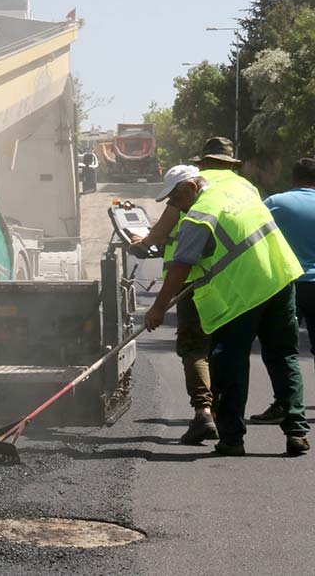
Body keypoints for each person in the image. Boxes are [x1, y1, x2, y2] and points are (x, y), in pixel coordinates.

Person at [145, 164, 308, 456]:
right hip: (280, 278)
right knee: (284, 356)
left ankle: (232, 439)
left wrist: (157, 309)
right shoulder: (238, 187)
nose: (173, 205)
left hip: (242, 296)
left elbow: (181, 266)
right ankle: (296, 431)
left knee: (230, 364)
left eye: (175, 198)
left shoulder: (198, 217)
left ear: (193, 187)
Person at [128, 137, 251, 444]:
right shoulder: (240, 189)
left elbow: (163, 232)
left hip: (192, 282)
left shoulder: (190, 196)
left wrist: (144, 244)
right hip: (230, 279)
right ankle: (228, 415)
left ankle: (203, 413)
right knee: (222, 346)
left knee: (194, 347)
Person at [248, 157, 315, 423]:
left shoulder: (276, 203)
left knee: (281, 349)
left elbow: (252, 235)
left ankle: (284, 404)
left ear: (293, 177)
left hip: (288, 283)